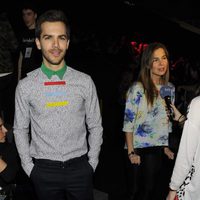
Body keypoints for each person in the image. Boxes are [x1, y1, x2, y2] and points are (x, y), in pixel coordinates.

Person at [13, 9, 103, 200]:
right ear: (38, 42)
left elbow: (95, 125)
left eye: (61, 38)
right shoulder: (25, 86)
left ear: (68, 42)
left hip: (80, 168)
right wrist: (29, 168)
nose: (55, 45)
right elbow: (20, 129)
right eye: (48, 38)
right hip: (43, 170)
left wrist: (91, 163)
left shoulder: (85, 82)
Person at [122, 42, 175, 200]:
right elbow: (128, 123)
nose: (161, 63)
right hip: (136, 146)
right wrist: (131, 152)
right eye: (155, 59)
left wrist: (165, 146)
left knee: (150, 191)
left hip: (156, 147)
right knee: (134, 192)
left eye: (164, 58)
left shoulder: (169, 88)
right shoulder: (138, 88)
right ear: (147, 64)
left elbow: (166, 119)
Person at [166, 97, 199, 200]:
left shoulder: (198, 103)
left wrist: (173, 188)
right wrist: (181, 118)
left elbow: (186, 154)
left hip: (195, 187)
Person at [0, 11, 19, 126]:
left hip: (6, 71)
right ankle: (8, 132)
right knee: (8, 105)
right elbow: (15, 46)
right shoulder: (4, 24)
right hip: (6, 70)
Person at [17, 1, 42, 80]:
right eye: (24, 14)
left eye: (29, 14)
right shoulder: (22, 34)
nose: (26, 18)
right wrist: (19, 79)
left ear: (35, 15)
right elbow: (21, 58)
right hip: (25, 76)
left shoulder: (40, 32)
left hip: (38, 75)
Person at [0, 116, 19, 198]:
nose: (5, 130)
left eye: (3, 125)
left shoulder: (10, 148)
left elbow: (9, 175)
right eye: (0, 127)